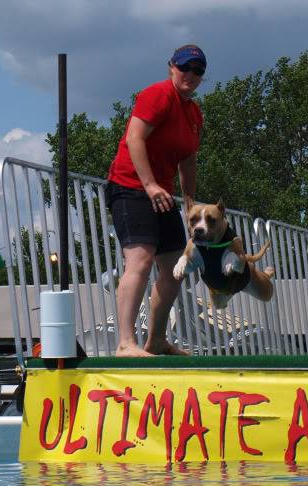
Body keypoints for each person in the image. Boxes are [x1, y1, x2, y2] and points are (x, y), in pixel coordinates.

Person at [106, 44, 207, 357]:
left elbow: (187, 161)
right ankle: (125, 343)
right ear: (171, 67)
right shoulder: (158, 95)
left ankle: (157, 341)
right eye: (185, 67)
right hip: (129, 186)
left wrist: (190, 207)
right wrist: (149, 184)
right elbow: (135, 138)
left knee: (178, 266)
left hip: (160, 194)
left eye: (198, 71)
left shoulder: (194, 114)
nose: (190, 74)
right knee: (140, 259)